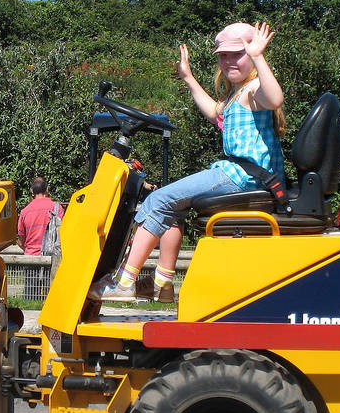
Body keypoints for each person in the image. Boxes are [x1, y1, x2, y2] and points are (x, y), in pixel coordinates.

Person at [89, 21, 285, 302]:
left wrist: (258, 55)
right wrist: (189, 78)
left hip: (241, 176)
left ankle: (124, 282)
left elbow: (275, 98)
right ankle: (162, 284)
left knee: (157, 201)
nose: (229, 60)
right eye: (224, 55)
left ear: (251, 55)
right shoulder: (236, 94)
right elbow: (214, 112)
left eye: (237, 54)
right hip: (240, 175)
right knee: (170, 209)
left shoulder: (255, 88)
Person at [17, 177, 65, 255]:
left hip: (30, 260)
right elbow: (62, 233)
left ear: (32, 191)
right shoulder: (56, 208)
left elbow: (21, 242)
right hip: (51, 259)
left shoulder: (24, 212)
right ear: (47, 190)